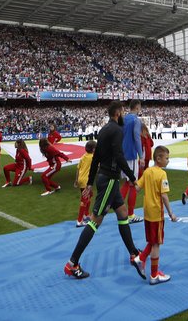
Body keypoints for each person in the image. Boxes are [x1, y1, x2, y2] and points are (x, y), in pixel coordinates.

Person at [63, 101, 146, 281]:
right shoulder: (117, 130)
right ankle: (72, 263)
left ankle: (133, 252)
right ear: (118, 113)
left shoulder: (103, 130)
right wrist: (133, 178)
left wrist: (91, 183)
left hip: (107, 179)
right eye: (122, 111)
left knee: (123, 213)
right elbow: (118, 155)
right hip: (109, 179)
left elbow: (96, 159)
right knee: (95, 221)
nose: (124, 114)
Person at [134, 145, 178, 285]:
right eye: (166, 158)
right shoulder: (162, 174)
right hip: (156, 213)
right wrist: (171, 213)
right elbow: (164, 196)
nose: (168, 161)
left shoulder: (147, 171)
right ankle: (154, 275)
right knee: (157, 243)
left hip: (147, 212)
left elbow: (137, 187)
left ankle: (141, 259)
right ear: (158, 158)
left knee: (152, 240)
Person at [121, 100, 144, 222]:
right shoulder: (136, 120)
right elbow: (136, 137)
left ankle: (121, 210)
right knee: (132, 183)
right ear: (137, 107)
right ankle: (130, 214)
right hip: (131, 154)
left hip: (122, 154)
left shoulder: (123, 119)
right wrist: (141, 156)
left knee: (126, 182)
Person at [74, 140, 95, 226]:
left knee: (89, 195)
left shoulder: (83, 157)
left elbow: (78, 169)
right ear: (93, 149)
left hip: (81, 179)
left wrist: (76, 180)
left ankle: (86, 214)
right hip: (86, 181)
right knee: (84, 200)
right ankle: (79, 221)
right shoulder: (93, 157)